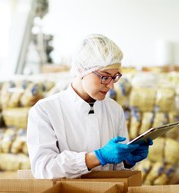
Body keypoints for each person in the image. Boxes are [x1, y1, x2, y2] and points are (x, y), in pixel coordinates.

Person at [26, 34, 152, 179]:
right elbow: (44, 168)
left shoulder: (114, 110)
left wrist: (127, 160)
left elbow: (117, 171)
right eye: (104, 77)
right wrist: (97, 157)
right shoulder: (45, 111)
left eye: (115, 77)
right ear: (81, 70)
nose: (111, 85)